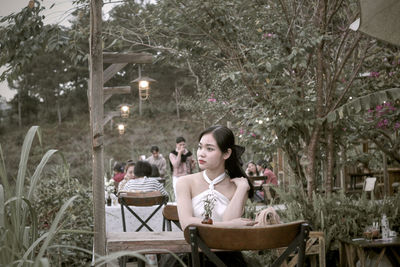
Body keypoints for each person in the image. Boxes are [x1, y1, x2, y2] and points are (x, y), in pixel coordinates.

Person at [176, 125, 256, 266]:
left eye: (210, 149)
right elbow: (187, 224)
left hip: (227, 257)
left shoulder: (237, 187)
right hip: (192, 256)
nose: (201, 153)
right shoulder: (185, 182)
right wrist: (230, 225)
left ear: (226, 154)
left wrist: (243, 188)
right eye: (200, 147)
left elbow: (228, 223)